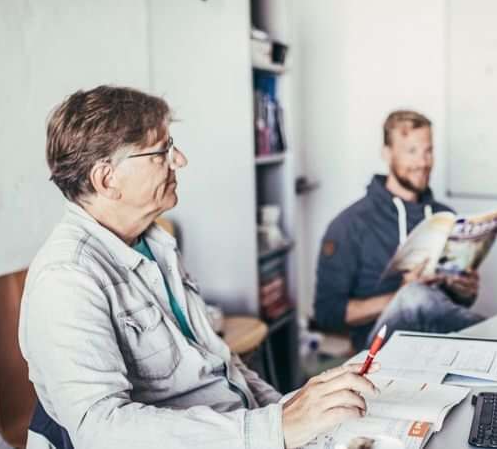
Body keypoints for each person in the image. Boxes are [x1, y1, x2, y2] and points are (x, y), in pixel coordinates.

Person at [19, 85, 377, 449]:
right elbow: (102, 430)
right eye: (162, 151)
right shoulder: (66, 278)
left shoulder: (154, 243)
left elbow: (221, 363)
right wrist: (274, 428)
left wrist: (295, 412)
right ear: (106, 179)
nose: (180, 160)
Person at [314, 110, 485, 350]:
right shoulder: (349, 224)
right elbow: (327, 314)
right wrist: (400, 295)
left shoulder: (445, 216)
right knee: (415, 296)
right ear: (387, 153)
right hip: (379, 348)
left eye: (428, 151)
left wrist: (466, 291)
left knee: (423, 299)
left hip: (439, 342)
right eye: (412, 151)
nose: (423, 162)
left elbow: (454, 307)